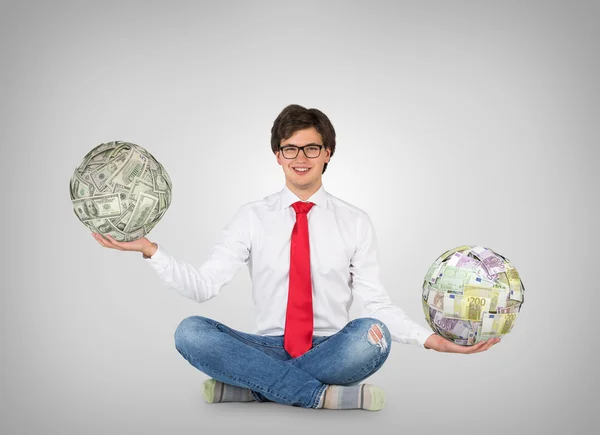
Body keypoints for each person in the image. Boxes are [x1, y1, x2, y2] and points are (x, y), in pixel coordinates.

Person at [92, 104, 499, 412]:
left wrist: (433, 342)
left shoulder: (355, 221)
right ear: (277, 155)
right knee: (190, 332)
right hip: (265, 346)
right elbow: (203, 287)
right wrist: (150, 250)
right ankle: (320, 396)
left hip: (334, 347)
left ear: (328, 153)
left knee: (372, 335)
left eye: (311, 148)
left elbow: (376, 303)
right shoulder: (251, 217)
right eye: (290, 149)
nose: (300, 157)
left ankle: (253, 389)